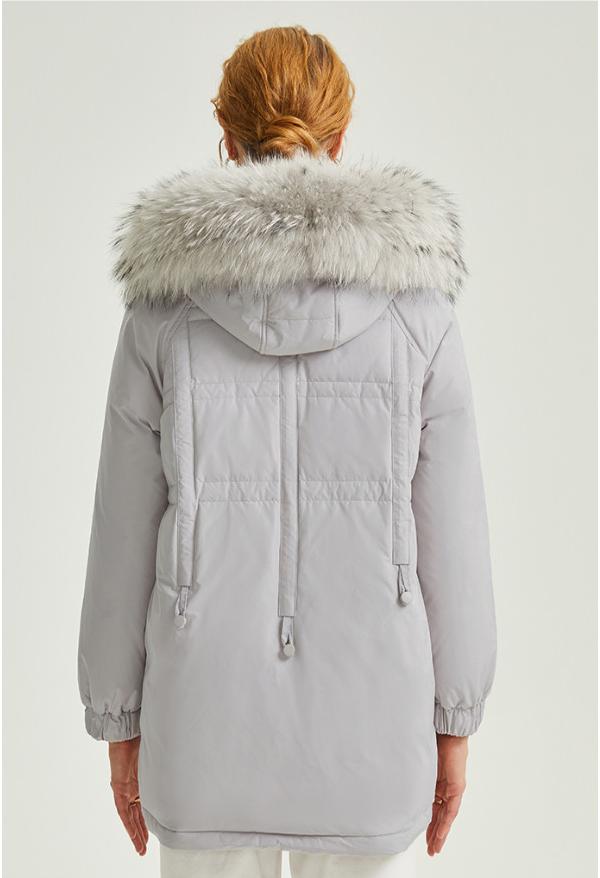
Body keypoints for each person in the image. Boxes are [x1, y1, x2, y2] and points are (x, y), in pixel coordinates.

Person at [78, 25, 497, 878]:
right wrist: (455, 724)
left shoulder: (162, 313)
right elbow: (454, 538)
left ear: (226, 138)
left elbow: (121, 532)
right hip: (371, 730)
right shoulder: (420, 313)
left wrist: (118, 722)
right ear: (340, 140)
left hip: (202, 724)